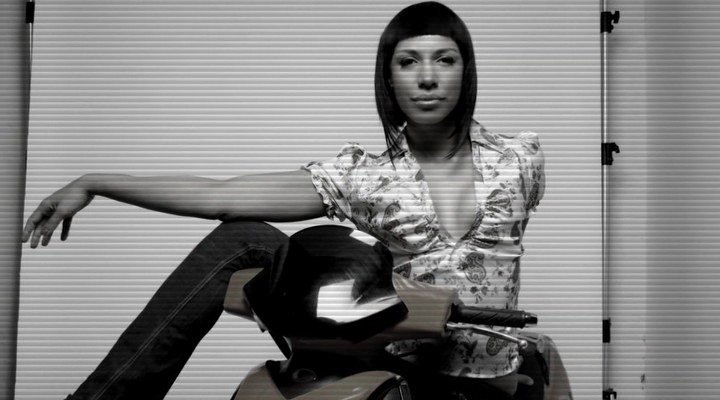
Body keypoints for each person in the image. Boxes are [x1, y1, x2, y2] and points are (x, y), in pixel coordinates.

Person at [22, 2, 546, 399]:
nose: (428, 77)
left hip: (493, 377)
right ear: (389, 79)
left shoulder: (521, 160)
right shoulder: (362, 176)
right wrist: (96, 182)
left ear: (465, 70)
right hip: (395, 366)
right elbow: (220, 196)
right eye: (408, 62)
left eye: (444, 60)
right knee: (240, 236)